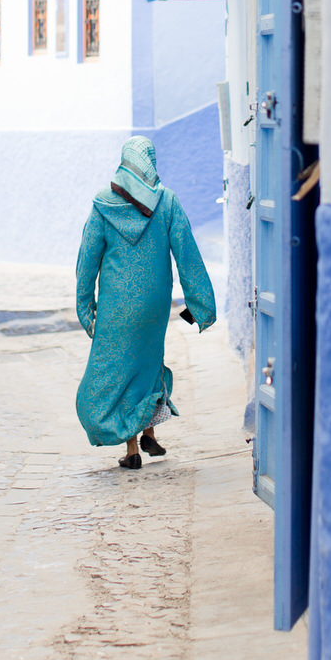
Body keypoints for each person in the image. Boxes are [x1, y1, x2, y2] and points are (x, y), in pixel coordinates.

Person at [75, 136, 216, 470]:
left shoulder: (103, 204)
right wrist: (200, 304)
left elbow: (87, 260)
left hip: (116, 307)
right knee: (148, 361)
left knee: (120, 370)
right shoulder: (167, 202)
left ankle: (132, 450)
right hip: (154, 307)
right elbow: (187, 254)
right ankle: (149, 432)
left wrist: (85, 305)